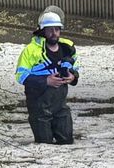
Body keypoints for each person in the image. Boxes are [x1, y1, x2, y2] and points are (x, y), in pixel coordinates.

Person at [15, 11, 80, 144]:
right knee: (44, 144)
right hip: (39, 108)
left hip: (60, 107)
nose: (54, 33)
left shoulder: (68, 48)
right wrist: (46, 81)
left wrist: (73, 77)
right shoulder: (30, 51)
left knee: (67, 141)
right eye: (50, 30)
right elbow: (21, 76)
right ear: (42, 31)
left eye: (57, 29)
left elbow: (76, 67)